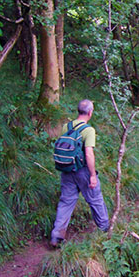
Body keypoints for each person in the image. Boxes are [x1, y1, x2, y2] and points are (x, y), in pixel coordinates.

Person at [50, 99, 109, 247]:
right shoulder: (88, 130)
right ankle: (106, 232)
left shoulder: (66, 126)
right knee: (95, 199)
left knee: (66, 202)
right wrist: (92, 175)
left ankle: (56, 236)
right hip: (82, 171)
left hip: (67, 170)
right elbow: (88, 154)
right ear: (90, 112)